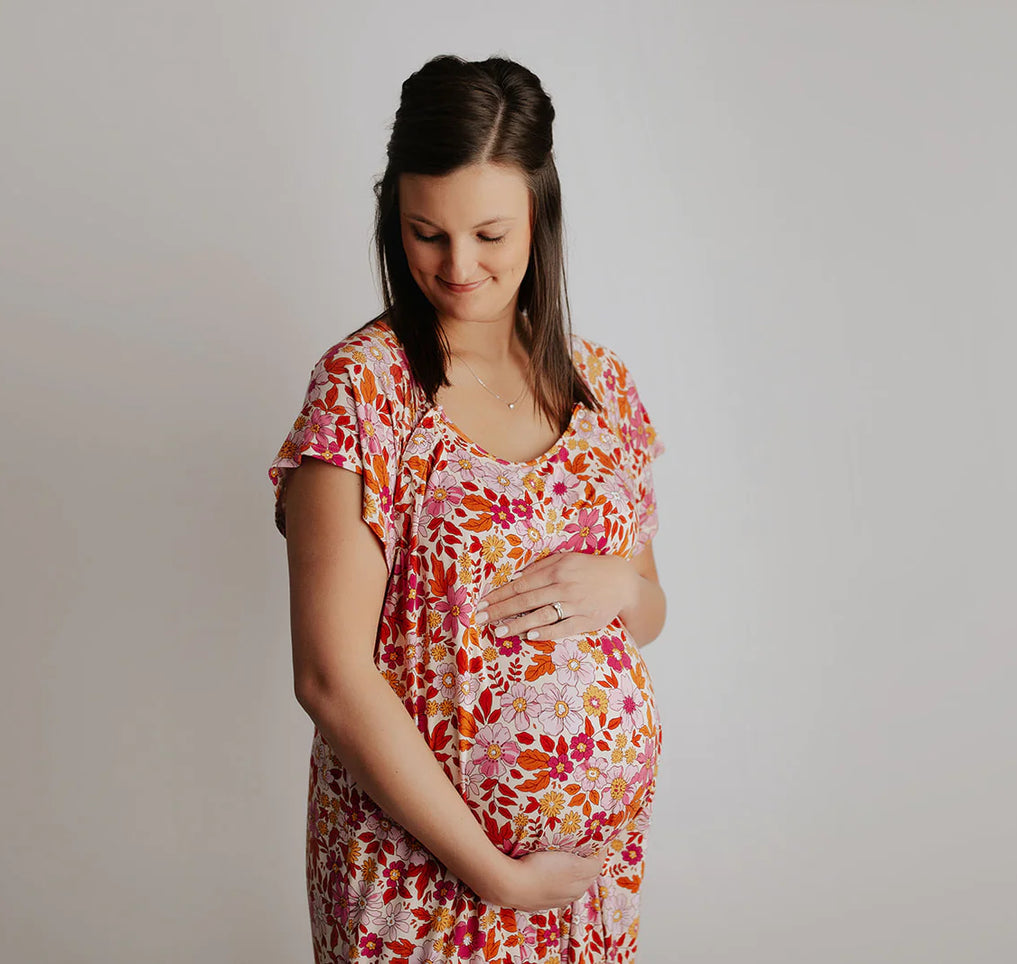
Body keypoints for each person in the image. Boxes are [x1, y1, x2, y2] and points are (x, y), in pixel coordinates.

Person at [268, 54, 667, 963]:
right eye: (425, 233)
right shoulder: (363, 391)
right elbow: (329, 678)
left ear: (540, 215)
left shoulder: (601, 388)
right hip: (421, 880)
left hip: (584, 885)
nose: (456, 267)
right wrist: (495, 873)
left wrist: (619, 584)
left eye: (489, 234)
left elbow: (647, 608)